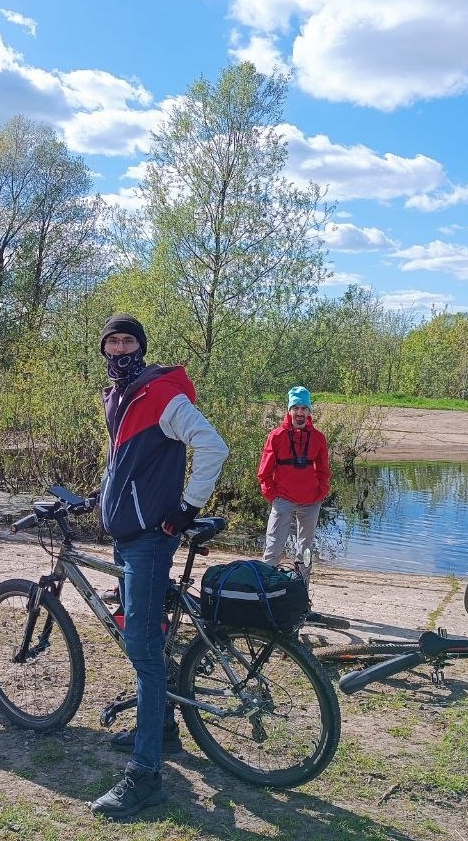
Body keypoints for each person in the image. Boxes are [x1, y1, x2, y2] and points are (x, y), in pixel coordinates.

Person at [89, 314, 228, 819]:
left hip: (150, 539)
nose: (120, 348)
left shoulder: (163, 396)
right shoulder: (119, 397)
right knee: (146, 638)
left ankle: (145, 777)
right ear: (104, 350)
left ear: (141, 348)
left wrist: (186, 509)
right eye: (113, 342)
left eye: (128, 341)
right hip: (127, 534)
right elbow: (123, 466)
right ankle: (165, 729)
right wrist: (99, 499)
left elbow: (214, 446)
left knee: (144, 653)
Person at [258, 386, 331, 572]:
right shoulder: (276, 436)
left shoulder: (318, 438)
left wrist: (320, 493)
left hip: (310, 502)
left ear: (309, 411)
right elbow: (264, 473)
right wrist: (273, 496)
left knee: (305, 551)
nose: (300, 412)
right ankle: (266, 589)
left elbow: (324, 471)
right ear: (289, 410)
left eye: (304, 408)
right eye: (296, 408)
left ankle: (302, 589)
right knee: (273, 547)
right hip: (283, 499)